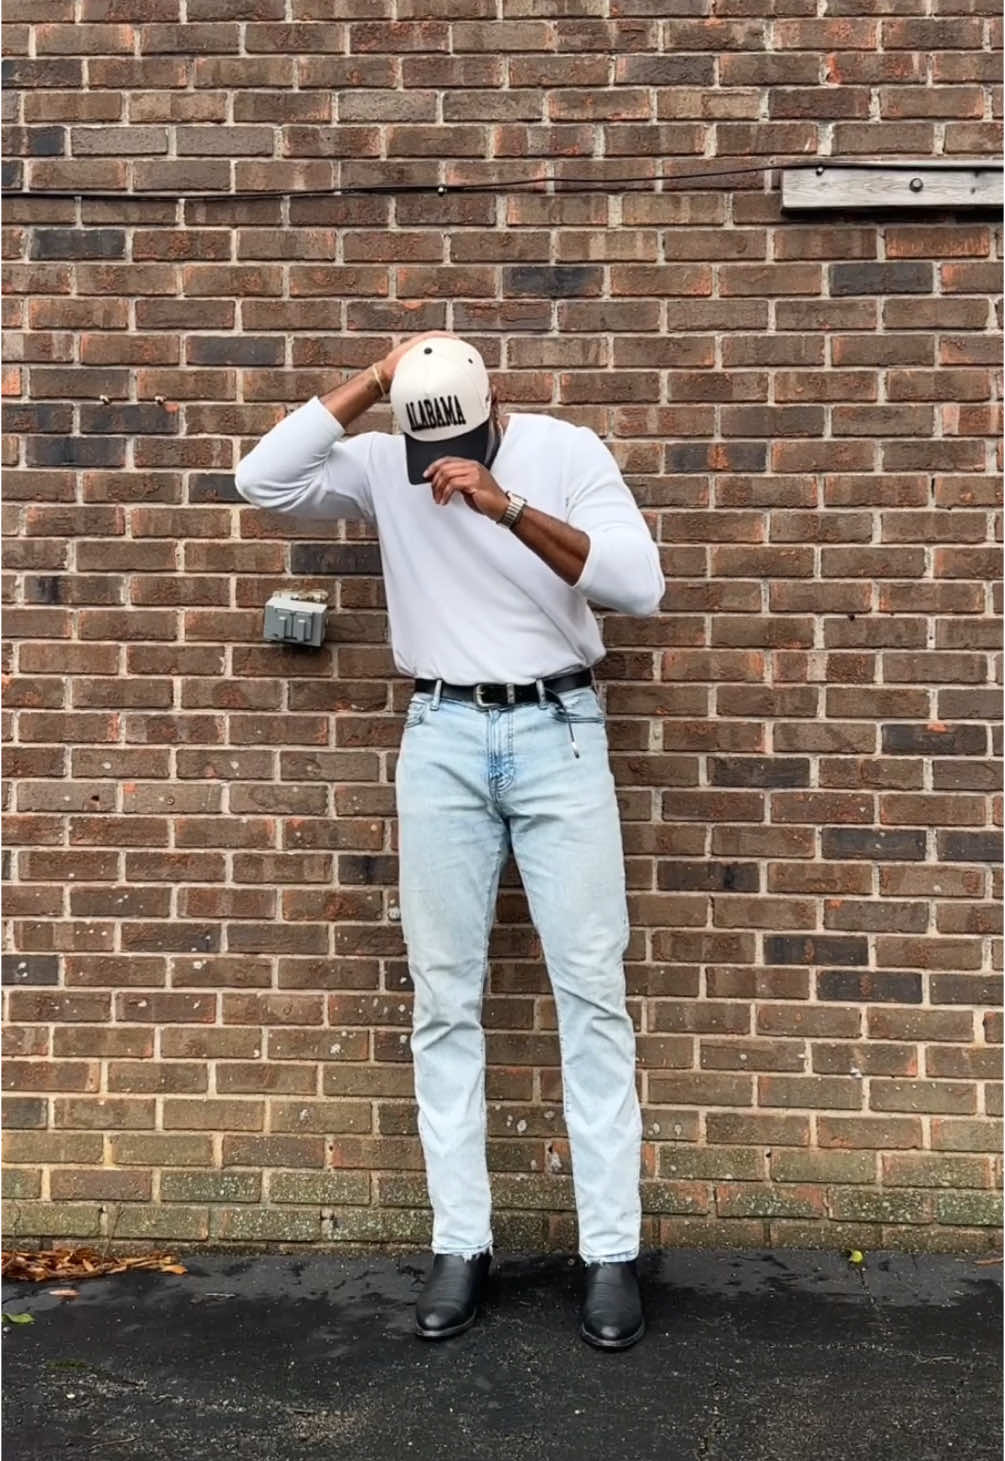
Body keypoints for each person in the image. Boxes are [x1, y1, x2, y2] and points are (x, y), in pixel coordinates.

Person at [234, 332, 665, 1350]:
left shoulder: (564, 450)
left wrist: (503, 504)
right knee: (443, 999)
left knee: (592, 993)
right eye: (422, 440)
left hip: (557, 731)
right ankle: (460, 1244)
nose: (440, 462)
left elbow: (638, 587)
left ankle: (610, 1253)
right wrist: (378, 383)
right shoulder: (387, 457)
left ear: (493, 402)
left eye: (456, 440)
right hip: (441, 737)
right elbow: (260, 479)